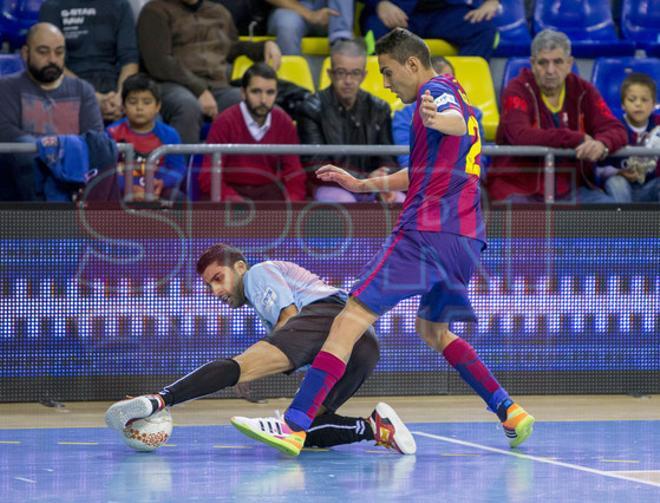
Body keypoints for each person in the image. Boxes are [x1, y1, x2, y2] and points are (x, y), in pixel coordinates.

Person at [231, 28, 534, 456]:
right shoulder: (457, 93)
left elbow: (449, 118)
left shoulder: (436, 91)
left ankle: (295, 423)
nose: (388, 85)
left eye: (389, 73)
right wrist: (362, 183)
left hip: (425, 233)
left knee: (349, 317)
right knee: (433, 330)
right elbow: (423, 170)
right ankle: (509, 410)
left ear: (412, 63)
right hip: (464, 240)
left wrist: (435, 117)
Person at [105, 243, 417, 455]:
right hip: (364, 346)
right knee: (302, 432)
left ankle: (160, 400)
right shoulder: (263, 292)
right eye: (209, 286)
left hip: (331, 315)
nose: (216, 291)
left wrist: (253, 366)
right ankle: (375, 428)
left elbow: (290, 319)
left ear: (239, 267)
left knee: (237, 367)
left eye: (218, 278)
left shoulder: (258, 273)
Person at [489, 29, 628, 204]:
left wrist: (602, 144)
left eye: (558, 62)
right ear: (532, 64)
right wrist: (575, 139)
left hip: (573, 189)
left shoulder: (584, 90)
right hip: (520, 188)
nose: (550, 70)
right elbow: (520, 134)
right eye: (543, 63)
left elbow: (616, 129)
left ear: (569, 63)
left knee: (611, 212)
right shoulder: (516, 90)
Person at [137, 0, 283, 144]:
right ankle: (180, 166)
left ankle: (258, 166)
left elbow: (232, 48)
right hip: (171, 84)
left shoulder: (218, 11)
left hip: (217, 87)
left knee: (255, 102)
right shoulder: (155, 11)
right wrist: (200, 90)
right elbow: (159, 63)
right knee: (187, 106)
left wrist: (264, 46)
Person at [0, 23, 103, 201]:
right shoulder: (6, 87)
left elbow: (95, 138)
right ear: (25, 53)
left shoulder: (83, 90)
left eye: (59, 52)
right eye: (43, 51)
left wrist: (55, 153)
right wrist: (57, 152)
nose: (52, 59)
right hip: (21, 189)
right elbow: (6, 133)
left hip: (73, 185)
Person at [297, 38, 402, 203]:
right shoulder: (310, 109)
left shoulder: (379, 108)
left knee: (399, 200)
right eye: (341, 72)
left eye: (355, 73)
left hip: (371, 184)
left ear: (364, 75)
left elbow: (389, 159)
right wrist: (366, 180)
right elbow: (315, 167)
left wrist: (382, 178)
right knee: (345, 202)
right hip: (331, 186)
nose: (348, 80)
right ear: (330, 73)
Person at [198, 63, 307, 201]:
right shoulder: (224, 122)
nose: (263, 100)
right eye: (256, 91)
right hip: (230, 194)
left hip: (269, 194)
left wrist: (292, 201)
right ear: (243, 93)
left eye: (270, 92)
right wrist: (233, 199)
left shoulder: (284, 122)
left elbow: (294, 172)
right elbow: (209, 176)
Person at [39, 0, 139, 123]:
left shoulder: (121, 5)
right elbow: (51, 63)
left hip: (114, 85)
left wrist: (121, 97)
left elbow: (130, 58)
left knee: (149, 120)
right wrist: (92, 97)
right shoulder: (52, 6)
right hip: (69, 84)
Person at [392, 55, 486, 171]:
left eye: (452, 82)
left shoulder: (474, 114)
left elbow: (480, 161)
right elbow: (407, 161)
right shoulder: (404, 117)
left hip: (465, 181)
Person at [106, 74, 186, 201]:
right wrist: (128, 187)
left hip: (157, 190)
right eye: (133, 102)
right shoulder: (111, 133)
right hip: (122, 192)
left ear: (158, 106)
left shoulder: (170, 135)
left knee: (178, 198)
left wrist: (161, 183)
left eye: (147, 102)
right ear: (123, 106)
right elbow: (106, 172)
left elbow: (178, 169)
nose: (139, 108)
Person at [360, 0, 499, 60]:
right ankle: (387, 97)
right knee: (376, 30)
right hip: (397, 11)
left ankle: (458, 93)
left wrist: (492, 1)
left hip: (445, 12)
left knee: (483, 30)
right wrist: (379, 3)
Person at [602, 73, 660, 203]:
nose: (638, 104)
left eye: (644, 100)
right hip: (622, 186)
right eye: (632, 99)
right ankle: (625, 222)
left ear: (653, 105)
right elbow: (599, 169)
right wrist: (618, 172)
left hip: (650, 187)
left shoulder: (658, 125)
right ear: (623, 105)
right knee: (616, 182)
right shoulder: (613, 128)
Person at [266, 0, 354, 55]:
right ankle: (290, 80)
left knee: (340, 33)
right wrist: (310, 15)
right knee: (287, 25)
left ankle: (341, 44)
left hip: (331, 15)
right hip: (291, 9)